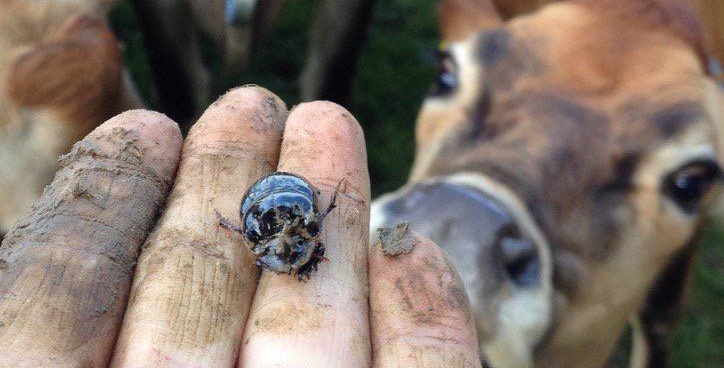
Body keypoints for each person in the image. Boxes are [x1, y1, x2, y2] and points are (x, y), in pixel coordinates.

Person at [0, 86, 482, 368]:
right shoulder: (292, 235)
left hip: (280, 201)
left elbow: (300, 231)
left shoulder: (289, 235)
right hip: (282, 199)